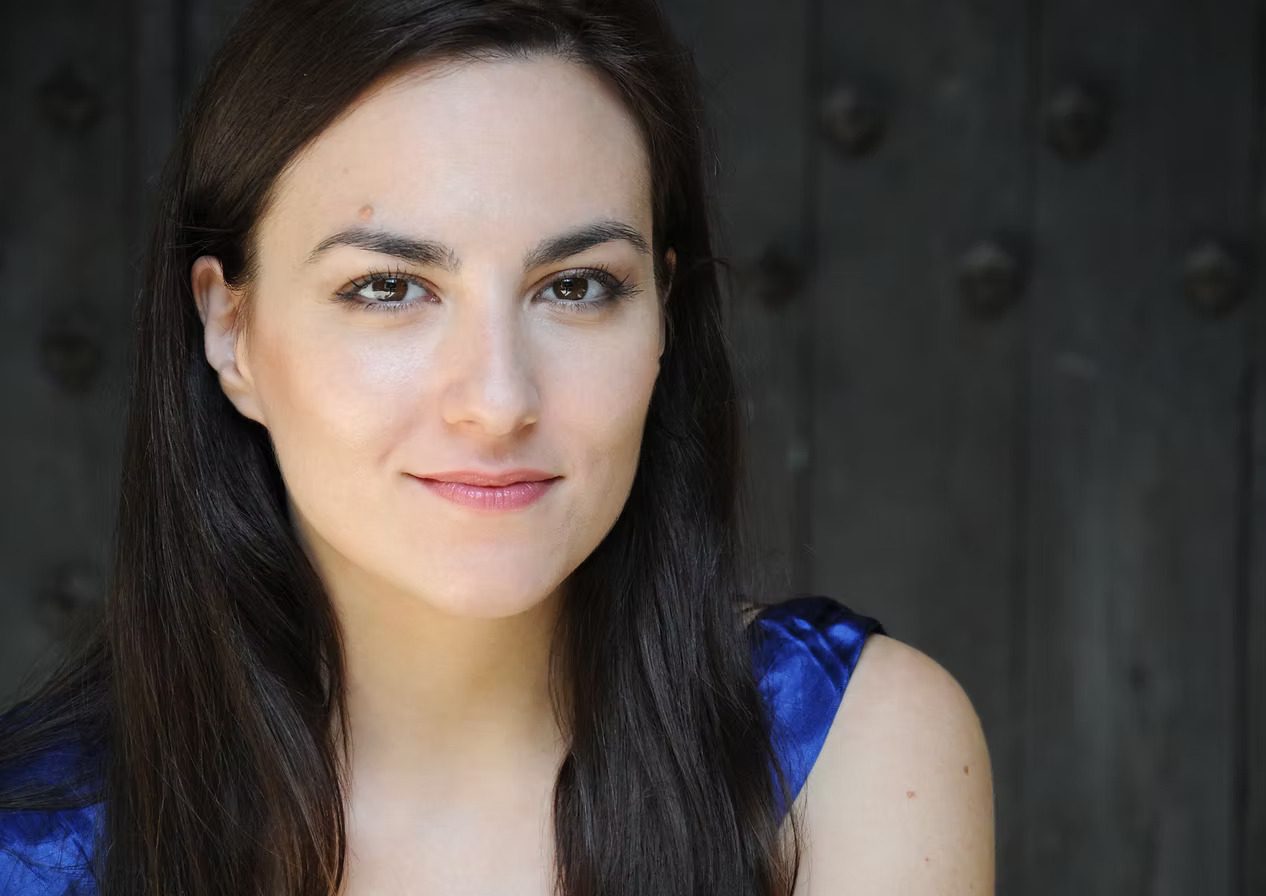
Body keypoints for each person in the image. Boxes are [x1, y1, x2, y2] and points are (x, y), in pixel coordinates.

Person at [0, 0, 994, 893]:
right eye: (388, 288)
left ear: (662, 314)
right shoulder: (34, 846)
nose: (497, 399)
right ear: (232, 331)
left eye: (575, 286)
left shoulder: (846, 752)